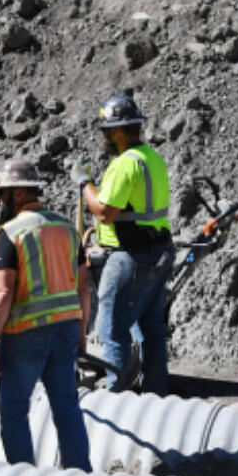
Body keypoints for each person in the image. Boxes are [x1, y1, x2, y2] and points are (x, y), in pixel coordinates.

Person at [0, 157, 91, 470]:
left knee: (15, 411)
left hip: (25, 336)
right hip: (67, 330)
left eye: (1, 193)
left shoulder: (10, 232)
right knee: (67, 407)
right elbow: (84, 286)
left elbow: (2, 294)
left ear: (18, 194)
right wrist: (82, 331)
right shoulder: (67, 228)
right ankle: (80, 474)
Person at [82, 94, 174, 395]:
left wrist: (84, 184)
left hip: (131, 257)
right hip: (158, 251)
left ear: (119, 130)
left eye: (106, 131)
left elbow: (106, 212)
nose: (104, 137)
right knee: (151, 332)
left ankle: (118, 400)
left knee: (111, 330)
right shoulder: (152, 157)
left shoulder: (124, 165)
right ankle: (156, 398)